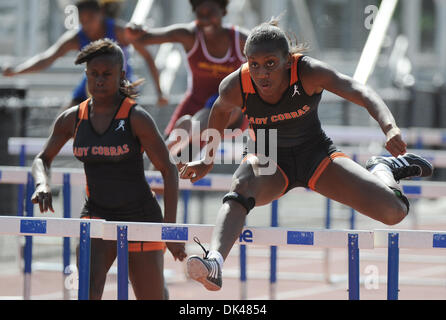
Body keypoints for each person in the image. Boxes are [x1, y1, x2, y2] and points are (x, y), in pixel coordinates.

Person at [179, 18, 434, 291]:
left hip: (315, 155)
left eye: (270, 64)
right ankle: (215, 262)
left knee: (394, 212)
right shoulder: (236, 85)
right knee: (241, 183)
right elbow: (219, 112)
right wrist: (207, 158)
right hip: (268, 155)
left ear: (288, 60)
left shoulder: (308, 72)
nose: (262, 73)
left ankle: (384, 169)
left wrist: (389, 127)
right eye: (254, 64)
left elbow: (360, 90)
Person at [30, 38, 186, 299]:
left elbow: (169, 170)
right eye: (93, 74)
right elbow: (42, 159)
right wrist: (42, 183)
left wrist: (169, 230)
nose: (99, 80)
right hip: (96, 214)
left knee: (151, 296)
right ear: (86, 75)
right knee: (87, 293)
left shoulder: (136, 118)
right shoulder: (72, 118)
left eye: (106, 74)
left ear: (121, 75)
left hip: (140, 216)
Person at [125, 0, 250, 165]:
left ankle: (182, 135)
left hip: (231, 111)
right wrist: (134, 30)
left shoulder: (240, 39)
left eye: (210, 13)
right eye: (200, 15)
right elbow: (138, 39)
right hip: (194, 105)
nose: (205, 20)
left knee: (218, 105)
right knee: (164, 170)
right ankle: (170, 153)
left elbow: (271, 51)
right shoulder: (189, 34)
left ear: (223, 12)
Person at [2, 0, 167, 109]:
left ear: (101, 14)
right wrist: (17, 71)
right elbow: (47, 58)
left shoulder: (119, 31)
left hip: (120, 86)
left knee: (123, 119)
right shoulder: (77, 37)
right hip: (90, 85)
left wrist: (160, 92)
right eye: (82, 19)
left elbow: (147, 56)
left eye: (90, 18)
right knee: (66, 115)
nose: (86, 23)